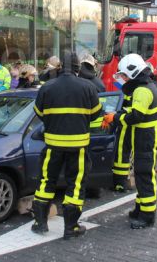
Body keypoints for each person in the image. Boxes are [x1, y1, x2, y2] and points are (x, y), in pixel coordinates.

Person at [31, 52, 101, 240]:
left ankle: (40, 223)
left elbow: (39, 112)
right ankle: (71, 228)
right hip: (78, 147)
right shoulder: (88, 87)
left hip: (52, 145)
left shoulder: (47, 87)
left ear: (60, 66)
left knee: (46, 182)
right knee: (76, 185)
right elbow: (96, 115)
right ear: (78, 67)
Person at [103, 53, 157, 229]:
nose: (122, 79)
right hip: (145, 137)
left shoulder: (142, 90)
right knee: (141, 173)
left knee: (144, 175)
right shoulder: (145, 87)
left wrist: (114, 118)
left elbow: (136, 116)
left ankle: (147, 216)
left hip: (146, 138)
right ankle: (140, 208)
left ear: (133, 73)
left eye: (123, 76)